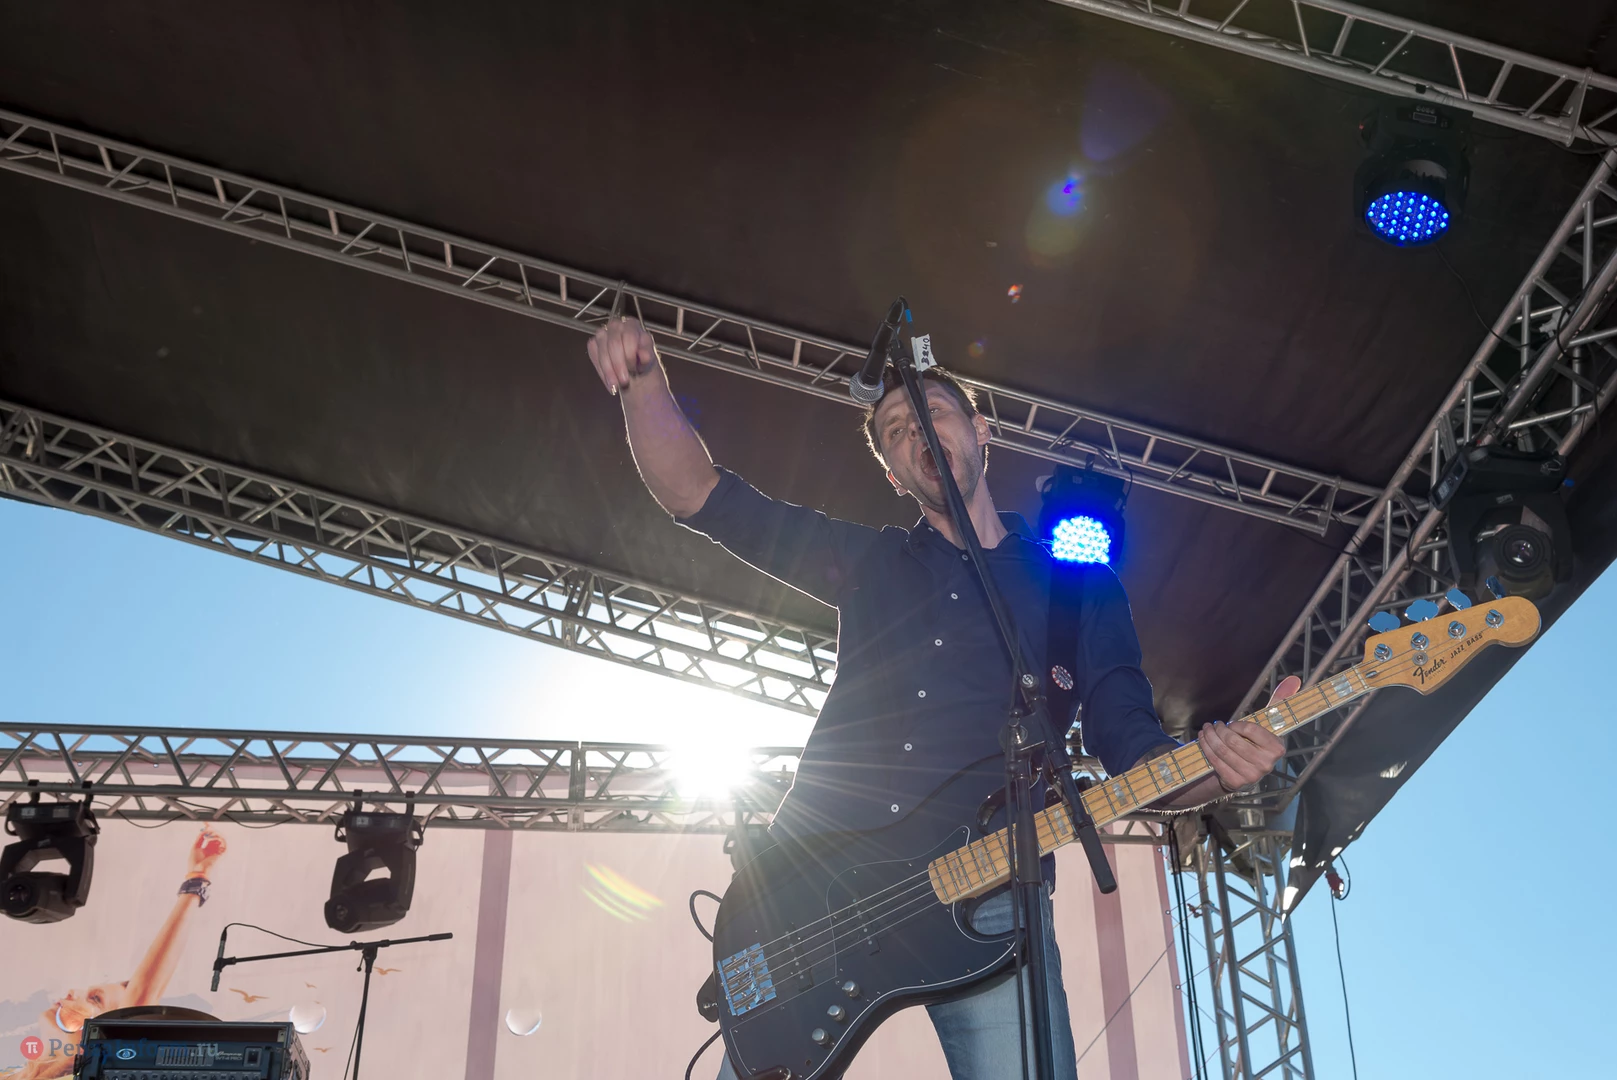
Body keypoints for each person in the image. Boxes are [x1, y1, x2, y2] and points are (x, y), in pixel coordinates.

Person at [587, 317, 1287, 1079]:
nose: (915, 432)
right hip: (815, 884)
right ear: (893, 473)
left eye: (934, 413)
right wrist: (642, 385)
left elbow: (1133, 747)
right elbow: (700, 495)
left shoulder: (1078, 588)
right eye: (893, 431)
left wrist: (1216, 770)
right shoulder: (871, 561)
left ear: (980, 433)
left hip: (989, 885)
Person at [15, 825, 227, 1079]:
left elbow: (144, 991)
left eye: (96, 1000)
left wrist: (196, 880)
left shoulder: (88, 1070)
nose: (73, 992)